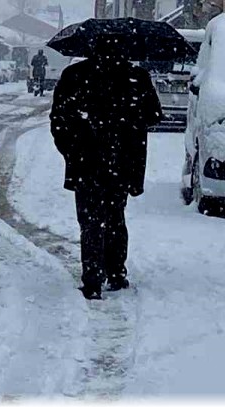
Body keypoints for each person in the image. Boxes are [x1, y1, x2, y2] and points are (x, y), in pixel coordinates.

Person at [49, 35, 162, 300]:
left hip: (85, 162)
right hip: (122, 161)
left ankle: (92, 279)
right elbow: (154, 115)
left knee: (90, 220)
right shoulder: (136, 76)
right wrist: (128, 126)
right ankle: (116, 272)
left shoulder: (75, 75)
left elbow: (59, 119)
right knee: (115, 217)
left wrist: (71, 149)